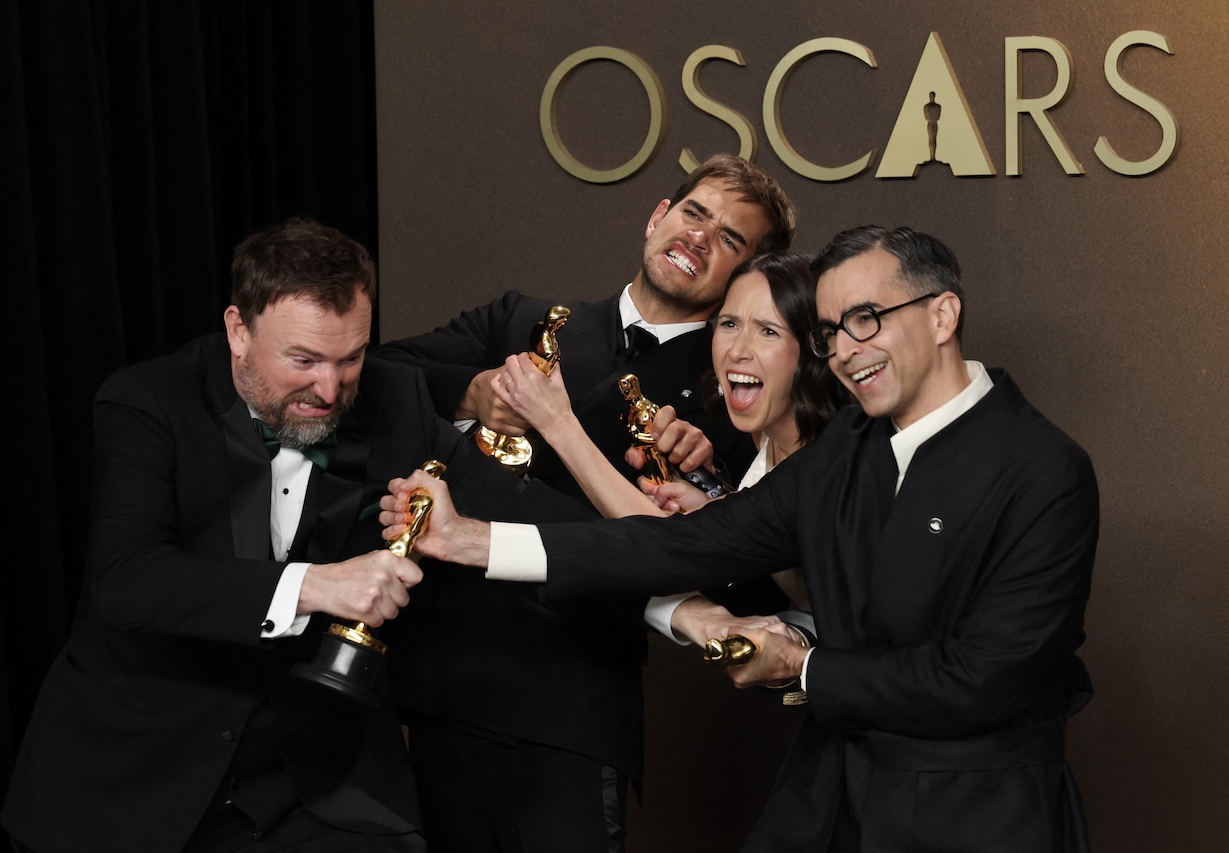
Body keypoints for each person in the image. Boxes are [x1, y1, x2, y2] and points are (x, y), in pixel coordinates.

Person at [384, 225, 1099, 852]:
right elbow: (683, 545)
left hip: (978, 814)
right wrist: (473, 539)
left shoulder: (1045, 469)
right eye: (831, 332)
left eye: (868, 319)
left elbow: (981, 680)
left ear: (943, 314)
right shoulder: (849, 443)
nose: (848, 351)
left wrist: (804, 668)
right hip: (828, 798)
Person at [0, 219, 577, 853]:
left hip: (313, 788)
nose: (330, 391)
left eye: (350, 358)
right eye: (302, 360)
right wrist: (318, 586)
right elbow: (126, 581)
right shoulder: (147, 401)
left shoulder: (398, 398)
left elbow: (532, 516)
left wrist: (671, 560)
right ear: (238, 331)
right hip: (133, 779)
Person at [371, 154, 795, 851]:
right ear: (658, 216)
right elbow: (378, 375)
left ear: (742, 281)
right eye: (694, 214)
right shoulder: (522, 320)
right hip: (445, 682)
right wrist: (474, 391)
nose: (698, 237)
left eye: (729, 239)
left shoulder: (733, 405)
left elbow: (730, 564)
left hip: (574, 705)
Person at [493, 251, 850, 648]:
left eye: (768, 331)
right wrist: (716, 512)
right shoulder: (767, 448)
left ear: (816, 347)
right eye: (730, 324)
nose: (738, 350)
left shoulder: (843, 458)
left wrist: (557, 423)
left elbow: (669, 553)